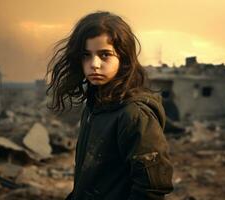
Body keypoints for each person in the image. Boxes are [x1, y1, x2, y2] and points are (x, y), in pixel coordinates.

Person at [46, 11, 173, 200]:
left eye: (105, 55)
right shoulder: (95, 105)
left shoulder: (134, 114)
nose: (94, 64)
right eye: (86, 55)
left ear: (123, 59)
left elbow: (151, 189)